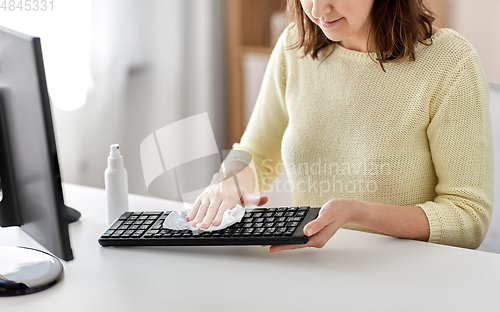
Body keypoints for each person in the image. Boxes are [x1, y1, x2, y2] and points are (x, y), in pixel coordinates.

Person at [187, 0, 493, 252]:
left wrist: (360, 213)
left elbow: (468, 218)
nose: (318, 9)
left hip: (407, 282)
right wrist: (228, 182)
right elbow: (256, 151)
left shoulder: (450, 63)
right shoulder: (295, 45)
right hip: (312, 272)